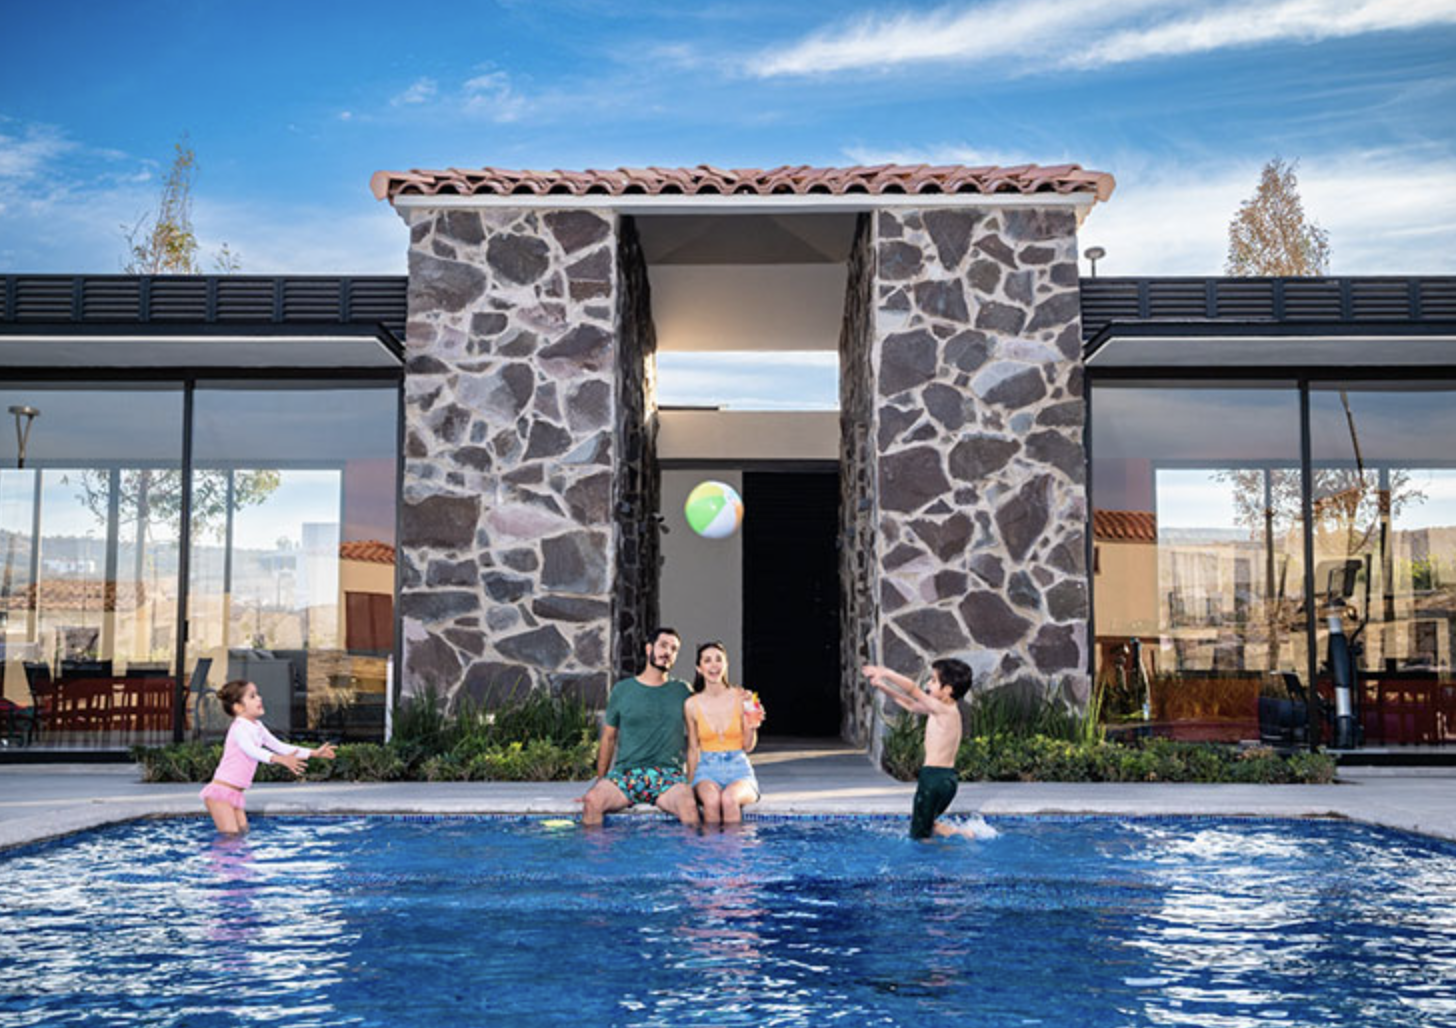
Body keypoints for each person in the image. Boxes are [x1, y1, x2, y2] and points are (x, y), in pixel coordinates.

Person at [578, 627, 699, 826]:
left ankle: (689, 858)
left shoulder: (683, 691)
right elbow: (608, 738)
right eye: (663, 646)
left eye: (674, 649)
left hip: (668, 776)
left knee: (689, 806)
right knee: (593, 801)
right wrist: (600, 782)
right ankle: (598, 857)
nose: (668, 652)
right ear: (648, 649)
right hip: (627, 774)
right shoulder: (623, 690)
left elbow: (704, 722)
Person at [200, 679, 335, 834]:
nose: (259, 698)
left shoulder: (257, 726)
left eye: (257, 694)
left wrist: (313, 753)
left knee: (242, 833)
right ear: (239, 707)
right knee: (230, 837)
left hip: (235, 793)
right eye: (252, 696)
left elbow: (280, 746)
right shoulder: (239, 728)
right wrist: (279, 759)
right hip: (220, 793)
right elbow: (251, 750)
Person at [862, 658, 977, 841]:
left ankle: (932, 865)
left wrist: (886, 673)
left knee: (919, 836)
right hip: (947, 780)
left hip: (932, 779)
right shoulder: (945, 710)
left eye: (933, 680)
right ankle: (963, 835)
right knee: (927, 824)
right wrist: (882, 686)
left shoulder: (943, 710)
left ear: (947, 690)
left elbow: (912, 690)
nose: (927, 684)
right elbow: (911, 704)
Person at [685, 641, 765, 825]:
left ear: (726, 664)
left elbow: (748, 746)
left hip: (739, 768)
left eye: (718, 660)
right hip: (706, 769)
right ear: (699, 668)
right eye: (707, 660)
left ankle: (735, 853)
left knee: (729, 800)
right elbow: (693, 749)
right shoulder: (691, 705)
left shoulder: (743, 697)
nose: (714, 665)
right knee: (712, 801)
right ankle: (711, 853)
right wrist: (689, 786)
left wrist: (753, 724)